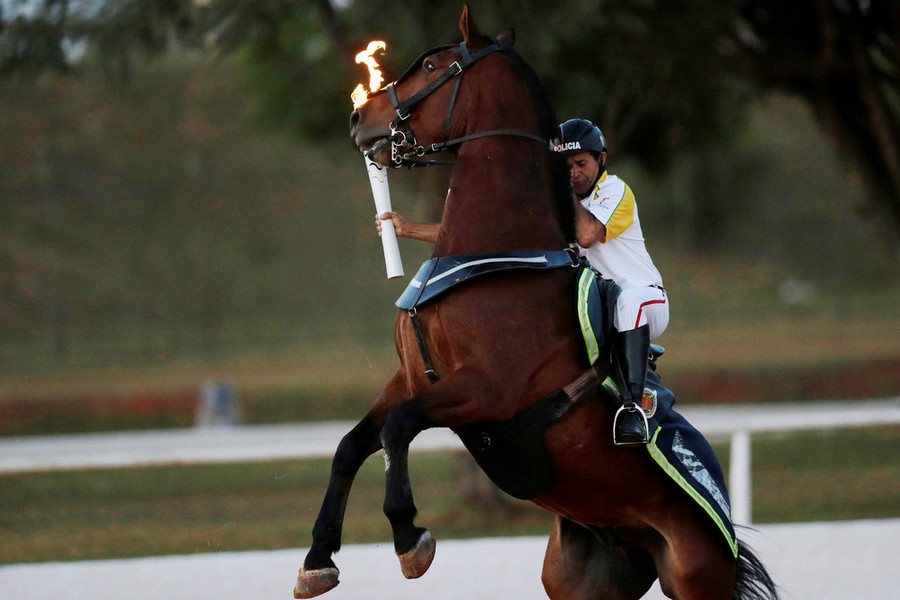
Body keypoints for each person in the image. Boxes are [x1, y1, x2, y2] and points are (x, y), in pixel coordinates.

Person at [376, 118, 668, 446]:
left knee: (628, 302)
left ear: (601, 159)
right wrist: (408, 229)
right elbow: (482, 238)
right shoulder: (549, 203)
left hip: (644, 300)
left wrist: (560, 186)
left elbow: (587, 234)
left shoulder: (614, 190)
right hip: (592, 310)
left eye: (581, 163)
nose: (574, 173)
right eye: (566, 165)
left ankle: (632, 409)